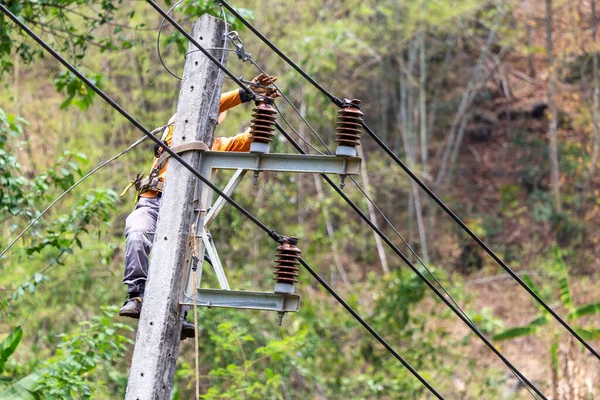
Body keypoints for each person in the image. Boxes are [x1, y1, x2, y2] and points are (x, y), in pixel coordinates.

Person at [118, 74, 278, 339]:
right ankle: (136, 295)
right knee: (137, 233)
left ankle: (177, 313)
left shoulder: (215, 146)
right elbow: (208, 107)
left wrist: (265, 108)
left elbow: (250, 140)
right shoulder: (175, 130)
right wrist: (246, 93)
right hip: (153, 202)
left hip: (184, 213)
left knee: (187, 258)